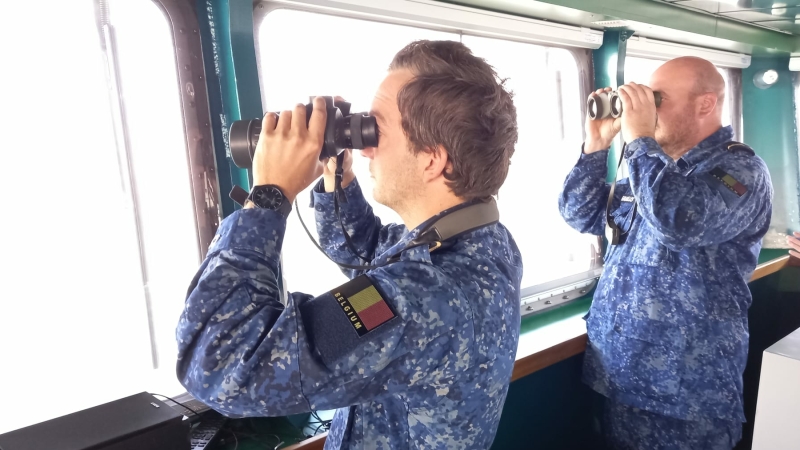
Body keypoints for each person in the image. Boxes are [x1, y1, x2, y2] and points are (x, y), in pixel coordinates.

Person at [176, 40, 522, 449]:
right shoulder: (482, 243)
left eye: (376, 129)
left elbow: (217, 364)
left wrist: (269, 195)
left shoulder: (420, 297)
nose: (366, 146)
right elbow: (367, 253)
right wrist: (336, 178)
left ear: (432, 159)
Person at [559, 56, 773, 449]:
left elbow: (680, 222)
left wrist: (640, 142)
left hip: (687, 391)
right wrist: (596, 145)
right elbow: (580, 212)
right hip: (619, 375)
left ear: (705, 104)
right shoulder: (649, 171)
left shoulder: (739, 172)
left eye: (656, 99)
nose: (646, 110)